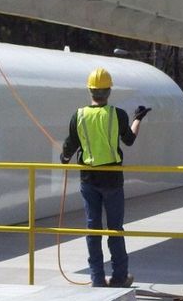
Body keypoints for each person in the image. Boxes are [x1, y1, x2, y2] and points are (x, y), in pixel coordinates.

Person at [61, 67, 150, 288]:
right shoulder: (117, 114)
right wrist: (138, 119)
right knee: (114, 229)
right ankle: (120, 277)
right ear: (108, 91)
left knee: (93, 229)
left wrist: (64, 158)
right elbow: (128, 140)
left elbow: (70, 145)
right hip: (111, 177)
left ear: (90, 90)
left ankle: (97, 279)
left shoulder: (79, 115)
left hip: (88, 178)